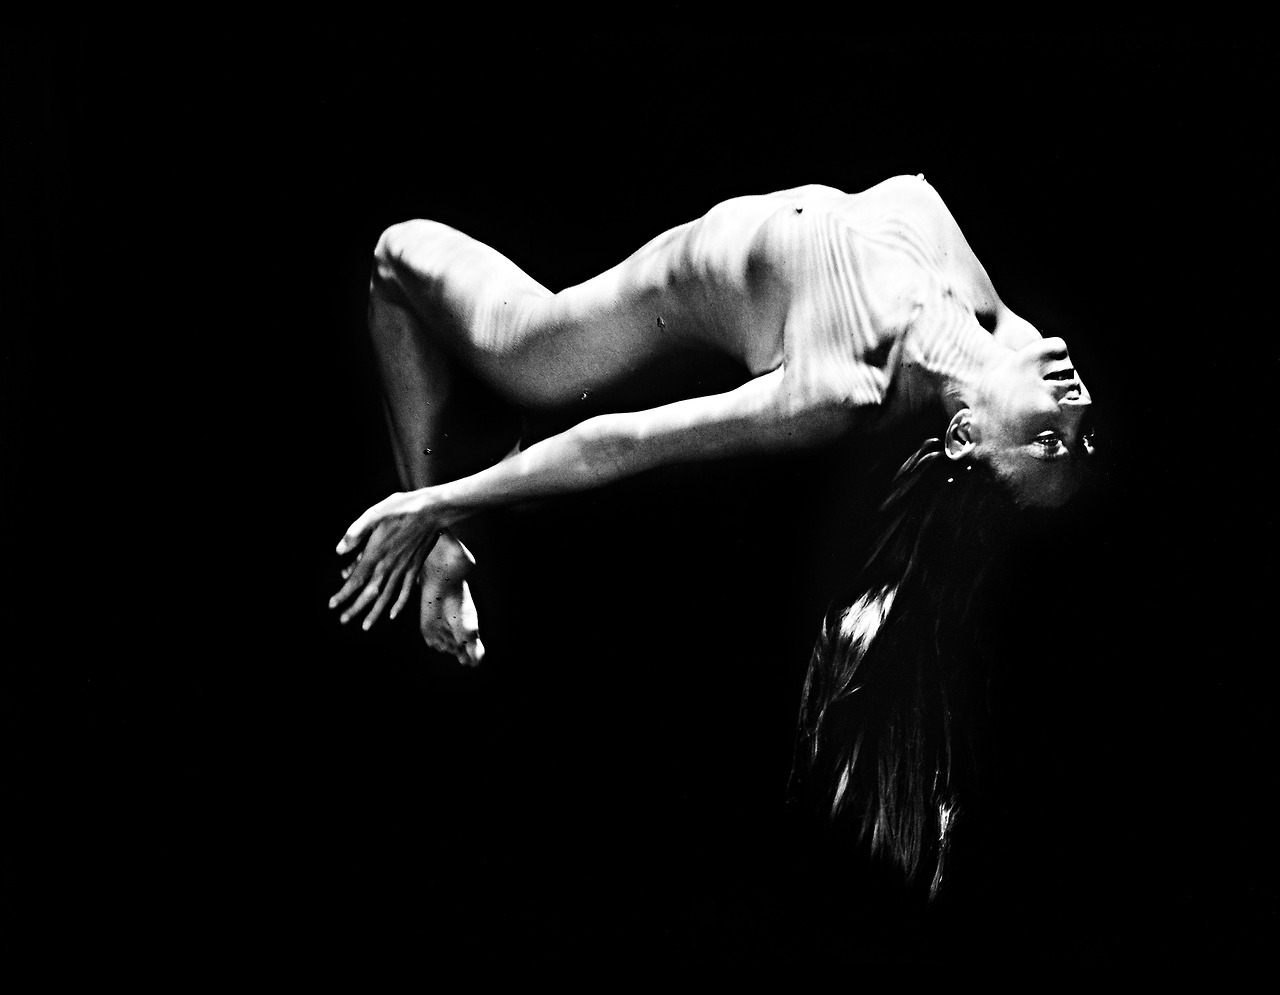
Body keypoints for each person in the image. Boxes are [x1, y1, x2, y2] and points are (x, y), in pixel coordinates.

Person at [329, 174, 1095, 894]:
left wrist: (432, 505)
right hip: (713, 279)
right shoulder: (994, 318)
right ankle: (446, 518)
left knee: (400, 262)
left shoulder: (845, 387)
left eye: (1048, 442)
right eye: (1081, 438)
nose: (1077, 409)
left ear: (963, 436)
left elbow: (620, 444)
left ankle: (441, 545)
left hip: (652, 308)